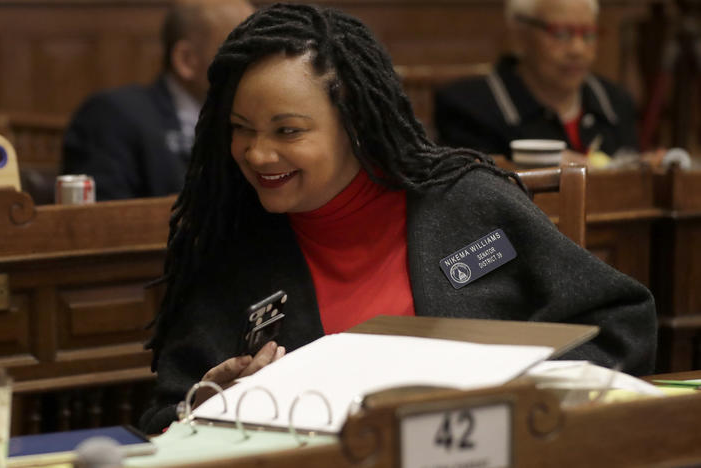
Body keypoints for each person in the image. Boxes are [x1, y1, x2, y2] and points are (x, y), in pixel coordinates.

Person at [139, 3, 657, 433]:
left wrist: (517, 401)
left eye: (287, 132)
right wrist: (216, 408)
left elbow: (620, 321)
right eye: (241, 129)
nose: (256, 154)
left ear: (356, 124)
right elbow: (166, 417)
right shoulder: (231, 244)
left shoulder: (466, 203)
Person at [61, 0, 254, 200]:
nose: (256, 65)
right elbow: (103, 221)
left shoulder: (250, 121)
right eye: (241, 52)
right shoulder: (112, 116)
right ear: (187, 60)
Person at [434, 0, 639, 159]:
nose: (577, 50)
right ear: (519, 36)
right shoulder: (468, 108)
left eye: (588, 34)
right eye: (561, 34)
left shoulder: (615, 102)